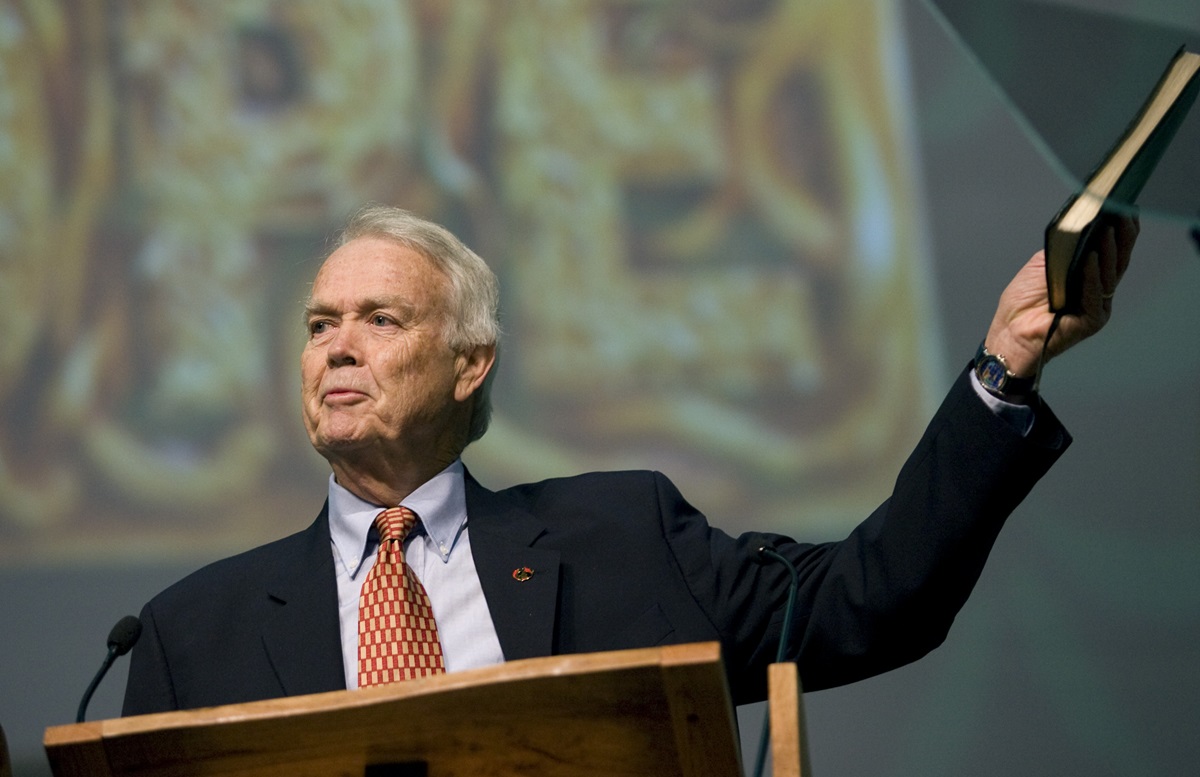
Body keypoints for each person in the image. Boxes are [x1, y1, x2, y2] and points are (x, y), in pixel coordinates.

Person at [121, 204, 1137, 715]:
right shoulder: (186, 636)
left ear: (470, 364)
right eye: (317, 324)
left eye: (380, 319)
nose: (336, 346)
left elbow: (867, 601)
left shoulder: (626, 541)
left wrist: (1002, 370)